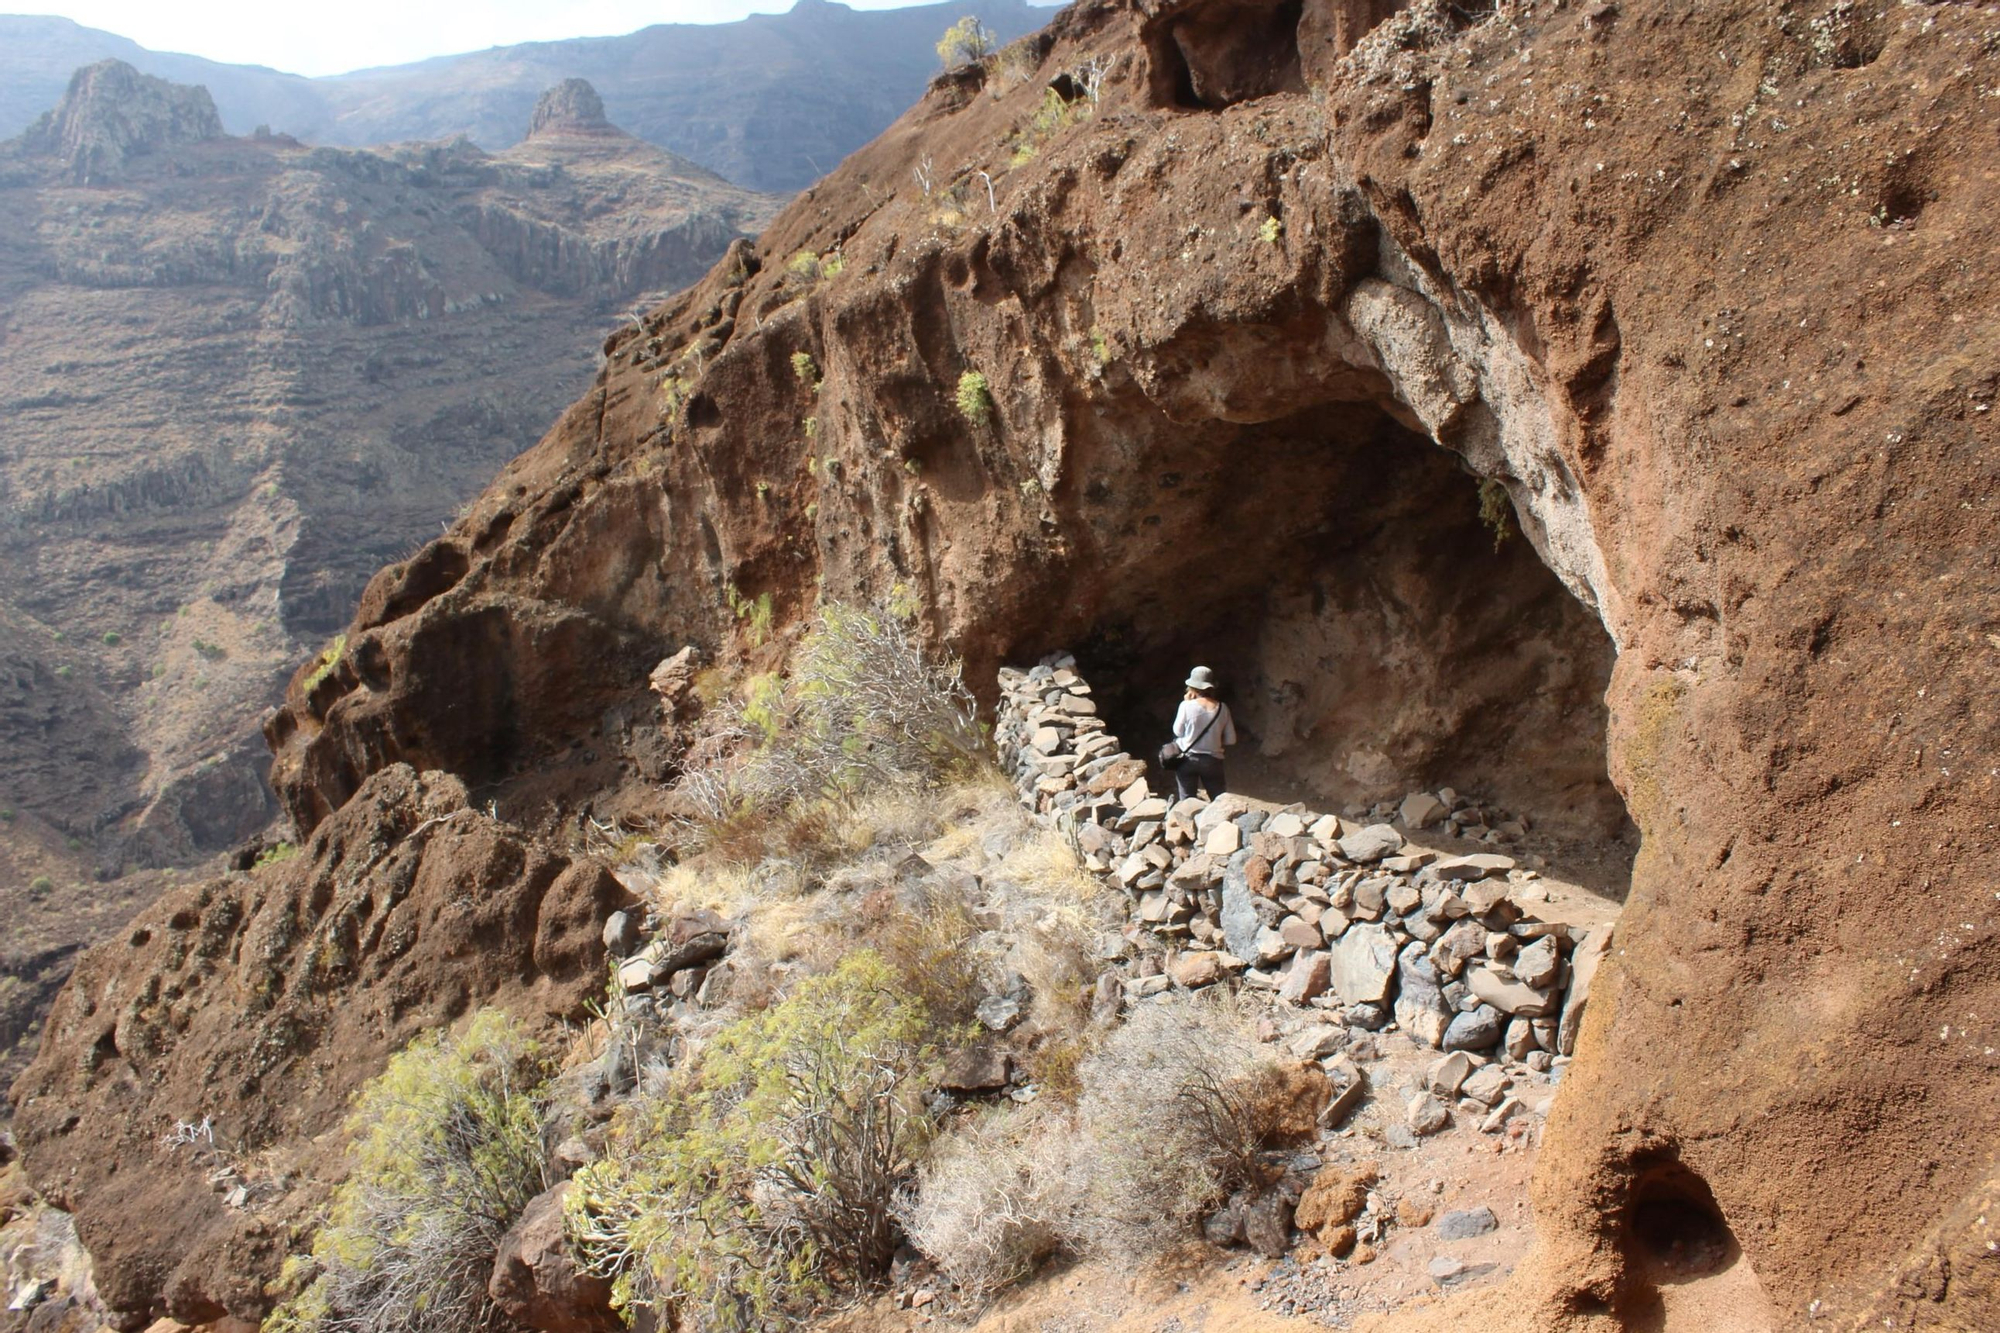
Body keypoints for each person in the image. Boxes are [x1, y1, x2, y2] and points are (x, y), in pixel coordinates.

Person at [1170, 666, 1236, 801]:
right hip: (1213, 761)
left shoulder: (1186, 705)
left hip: (1187, 759)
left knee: (1187, 801)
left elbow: (1178, 732)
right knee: (1219, 801)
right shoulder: (1223, 708)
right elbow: (1231, 740)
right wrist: (1214, 738)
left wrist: (1186, 704)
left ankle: (1188, 821)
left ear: (1192, 687)